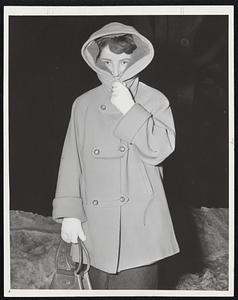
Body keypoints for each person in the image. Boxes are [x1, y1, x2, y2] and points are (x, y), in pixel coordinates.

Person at [52, 22, 180, 289]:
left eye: (123, 61)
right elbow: (71, 161)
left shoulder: (155, 100)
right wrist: (70, 214)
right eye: (107, 61)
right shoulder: (83, 104)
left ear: (136, 59)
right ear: (96, 61)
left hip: (141, 225)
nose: (116, 71)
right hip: (93, 225)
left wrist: (130, 110)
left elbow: (160, 150)